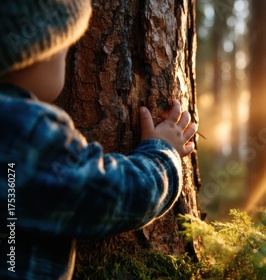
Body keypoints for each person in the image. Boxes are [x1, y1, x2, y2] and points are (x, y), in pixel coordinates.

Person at [0, 0, 198, 279]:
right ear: (34, 52)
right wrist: (164, 154)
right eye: (65, 47)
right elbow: (109, 195)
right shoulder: (24, 131)